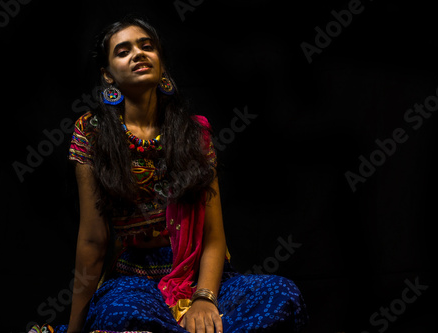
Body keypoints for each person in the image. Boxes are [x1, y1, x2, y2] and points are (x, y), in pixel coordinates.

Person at [29, 15, 308, 333]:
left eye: (147, 46)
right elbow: (94, 240)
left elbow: (214, 237)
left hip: (197, 276)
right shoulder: (92, 132)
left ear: (161, 64)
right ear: (108, 75)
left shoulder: (194, 133)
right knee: (118, 313)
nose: (138, 53)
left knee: (282, 294)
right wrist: (74, 328)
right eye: (123, 51)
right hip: (134, 278)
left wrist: (205, 299)